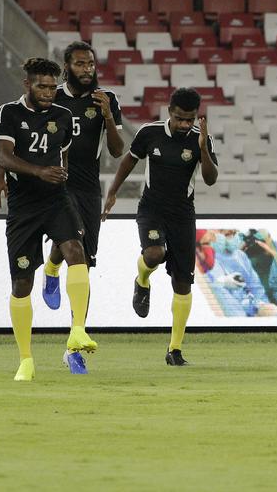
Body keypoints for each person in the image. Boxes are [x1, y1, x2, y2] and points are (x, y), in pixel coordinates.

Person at [0, 41, 122, 375]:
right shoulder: (30, 106)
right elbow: (9, 149)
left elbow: (117, 149)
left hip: (76, 188)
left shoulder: (102, 101)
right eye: (81, 64)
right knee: (23, 281)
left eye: (91, 63)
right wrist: (1, 174)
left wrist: (107, 116)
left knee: (81, 255)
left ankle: (75, 344)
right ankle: (27, 354)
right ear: (67, 68)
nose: (88, 69)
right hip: (32, 196)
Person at [103, 88, 218, 366]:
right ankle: (142, 280)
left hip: (183, 215)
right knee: (154, 254)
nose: (184, 125)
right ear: (170, 112)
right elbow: (129, 159)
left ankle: (174, 349)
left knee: (183, 283)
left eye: (189, 120)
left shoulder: (201, 140)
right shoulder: (149, 133)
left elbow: (211, 179)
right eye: (179, 118)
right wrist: (113, 192)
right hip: (152, 209)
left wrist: (203, 148)